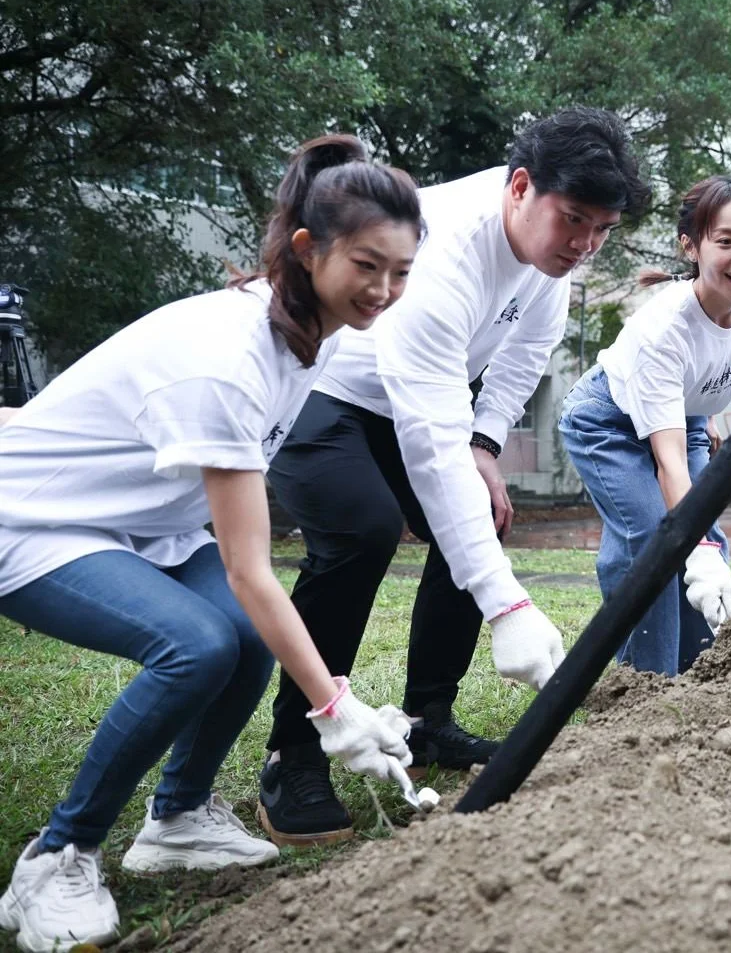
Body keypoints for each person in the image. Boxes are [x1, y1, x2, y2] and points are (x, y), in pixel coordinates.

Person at [0, 136, 422, 953]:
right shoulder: (231, 361)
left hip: (141, 522)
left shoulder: (310, 331)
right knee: (196, 644)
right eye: (369, 265)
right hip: (31, 518)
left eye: (401, 271)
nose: (385, 290)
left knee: (246, 635)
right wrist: (334, 709)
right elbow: (251, 568)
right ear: (308, 249)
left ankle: (179, 816)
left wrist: (330, 695)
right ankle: (57, 857)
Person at [259, 107, 649, 845]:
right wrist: (507, 604)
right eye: (574, 220)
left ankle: (428, 718)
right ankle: (295, 753)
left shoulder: (550, 263)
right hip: (329, 392)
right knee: (363, 531)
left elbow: (524, 356)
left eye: (602, 229)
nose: (585, 244)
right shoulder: (445, 247)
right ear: (522, 186)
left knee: (481, 515)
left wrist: (485, 443)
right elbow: (428, 440)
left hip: (430, 402)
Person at [559, 175, 731, 675]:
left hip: (680, 421)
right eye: (725, 241)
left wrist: (701, 421)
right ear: (691, 245)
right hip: (607, 423)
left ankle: (698, 672)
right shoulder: (662, 329)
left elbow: (703, 379)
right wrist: (695, 543)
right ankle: (643, 684)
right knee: (653, 538)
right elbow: (668, 462)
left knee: (708, 541)